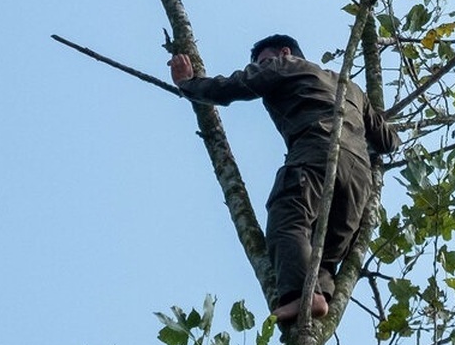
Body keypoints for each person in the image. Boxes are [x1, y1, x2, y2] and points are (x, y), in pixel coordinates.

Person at [169, 35, 399, 322]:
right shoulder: (348, 86)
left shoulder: (285, 64)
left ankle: (299, 296)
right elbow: (389, 141)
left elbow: (235, 86)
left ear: (285, 52)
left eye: (263, 62)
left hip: (316, 149)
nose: (262, 69)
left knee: (288, 216)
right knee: (324, 251)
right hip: (359, 177)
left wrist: (188, 84)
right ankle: (317, 299)